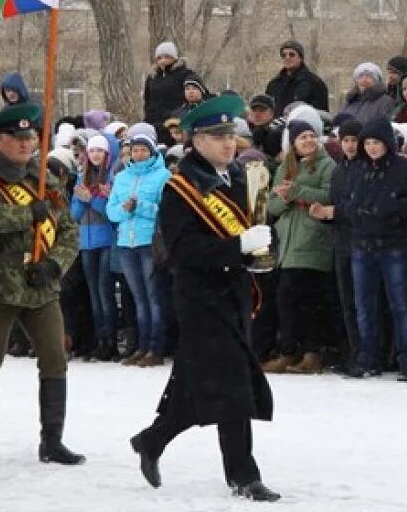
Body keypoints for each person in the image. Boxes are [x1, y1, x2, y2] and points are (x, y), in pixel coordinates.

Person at [128, 94, 280, 502]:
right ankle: (244, 475)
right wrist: (237, 247)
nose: (229, 143)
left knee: (199, 385)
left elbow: (253, 229)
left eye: (231, 134)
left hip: (234, 295)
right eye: (217, 136)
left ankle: (152, 440)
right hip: (200, 300)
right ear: (196, 141)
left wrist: (262, 249)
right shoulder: (180, 188)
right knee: (233, 385)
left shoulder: (235, 179)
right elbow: (182, 252)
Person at [0, 103, 85, 466]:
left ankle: (52, 440)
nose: (26, 145)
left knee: (55, 359)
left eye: (31, 138)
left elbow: (69, 229)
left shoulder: (43, 178)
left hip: (41, 284)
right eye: (18, 138)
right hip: (1, 283)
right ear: (1, 139)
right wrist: (27, 213)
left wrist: (55, 264)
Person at [341, 117, 407, 380]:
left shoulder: (405, 169)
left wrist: (383, 212)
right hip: (362, 244)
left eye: (376, 142)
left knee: (401, 305)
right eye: (368, 143)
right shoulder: (359, 169)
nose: (372, 148)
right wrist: (358, 213)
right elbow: (349, 202)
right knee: (364, 306)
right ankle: (368, 358)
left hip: (394, 246)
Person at [262, 119, 335, 374]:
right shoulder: (286, 166)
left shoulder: (327, 165)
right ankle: (290, 351)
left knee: (306, 299)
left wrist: (296, 192)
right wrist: (285, 199)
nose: (308, 141)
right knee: (287, 299)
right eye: (302, 137)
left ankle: (309, 352)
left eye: (311, 136)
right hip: (288, 241)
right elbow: (272, 206)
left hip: (313, 239)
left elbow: (329, 195)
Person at [106, 124, 171, 366]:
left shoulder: (163, 176)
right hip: (126, 241)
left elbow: (165, 211)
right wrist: (124, 210)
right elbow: (111, 211)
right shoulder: (122, 176)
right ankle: (142, 347)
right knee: (138, 298)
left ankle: (156, 347)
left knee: (154, 297)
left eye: (144, 150)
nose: (139, 154)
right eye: (135, 150)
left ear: (152, 152)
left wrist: (140, 206)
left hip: (149, 242)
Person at [309, 119, 363, 366]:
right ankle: (351, 349)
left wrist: (335, 213)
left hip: (361, 243)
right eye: (346, 140)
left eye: (354, 140)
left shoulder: (365, 168)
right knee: (346, 301)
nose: (350, 145)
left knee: (362, 301)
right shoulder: (339, 169)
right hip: (341, 241)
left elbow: (360, 206)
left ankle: (365, 352)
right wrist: (325, 214)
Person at [70, 133, 119, 361]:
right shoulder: (82, 176)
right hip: (87, 241)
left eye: (100, 151)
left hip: (107, 240)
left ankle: (110, 339)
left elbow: (112, 214)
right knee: (93, 293)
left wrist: (93, 199)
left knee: (104, 291)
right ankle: (99, 338)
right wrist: (81, 199)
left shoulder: (111, 178)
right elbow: (75, 214)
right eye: (92, 151)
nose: (96, 155)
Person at [265, 40, 329, 113]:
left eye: (292, 54)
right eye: (284, 55)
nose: (287, 57)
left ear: (301, 58)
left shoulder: (315, 83)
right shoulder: (273, 85)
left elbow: (322, 114)